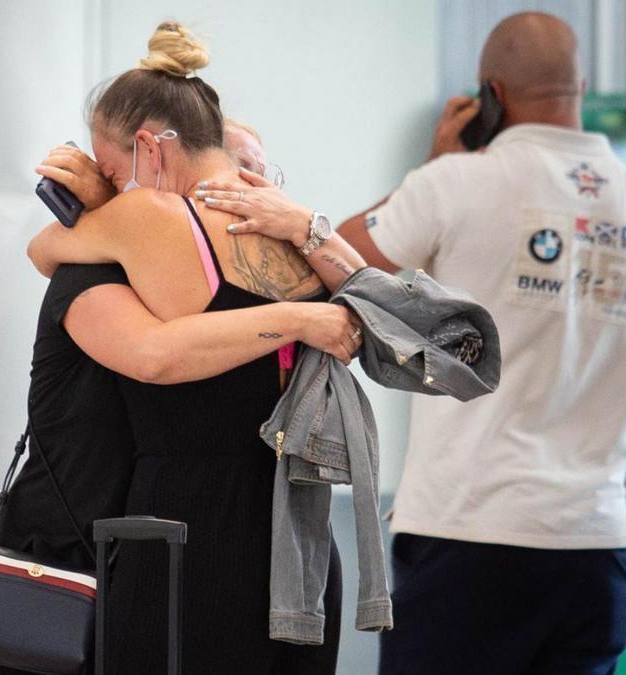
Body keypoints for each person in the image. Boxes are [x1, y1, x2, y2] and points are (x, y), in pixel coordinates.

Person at [231, 12, 626, 674]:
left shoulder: (455, 182)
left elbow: (323, 267)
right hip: (596, 542)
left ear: (490, 95)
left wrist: (432, 164)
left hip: (468, 533)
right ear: (579, 86)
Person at [22, 20, 369, 674]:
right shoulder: (298, 236)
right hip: (300, 543)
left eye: (110, 167)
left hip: (183, 531)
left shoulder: (139, 222)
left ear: (150, 150)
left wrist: (99, 211)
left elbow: (49, 256)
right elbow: (380, 311)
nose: (108, 181)